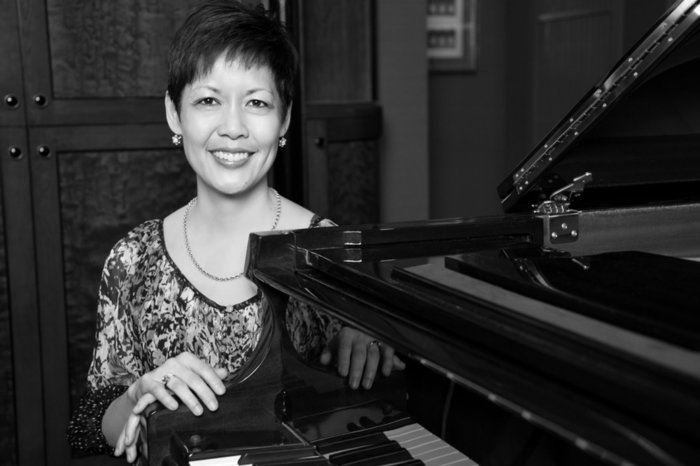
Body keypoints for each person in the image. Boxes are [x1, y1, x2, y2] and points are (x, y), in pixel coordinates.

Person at [66, 1, 404, 462]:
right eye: (208, 100)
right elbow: (91, 428)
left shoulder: (330, 248)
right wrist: (137, 397)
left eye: (257, 103)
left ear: (283, 120)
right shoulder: (132, 258)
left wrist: (367, 345)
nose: (233, 128)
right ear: (173, 113)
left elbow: (376, 393)